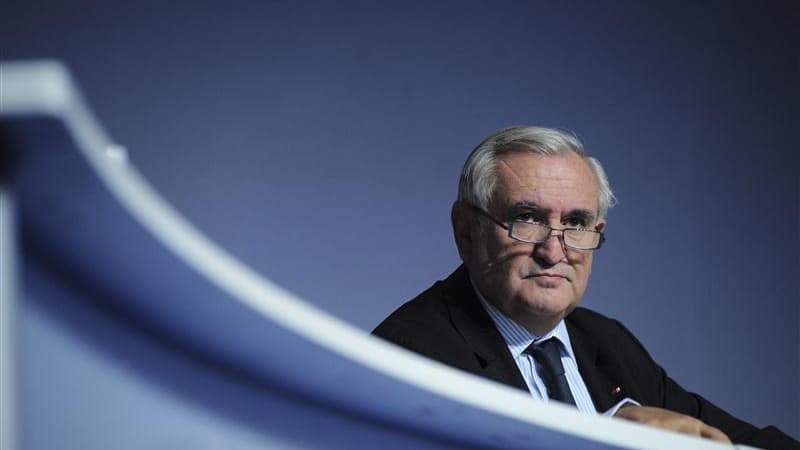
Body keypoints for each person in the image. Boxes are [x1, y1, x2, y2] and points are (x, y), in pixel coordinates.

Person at [372, 126, 798, 450]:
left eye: (576, 223)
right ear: (466, 231)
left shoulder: (606, 342)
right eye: (527, 218)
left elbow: (736, 439)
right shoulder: (410, 356)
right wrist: (608, 437)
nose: (553, 251)